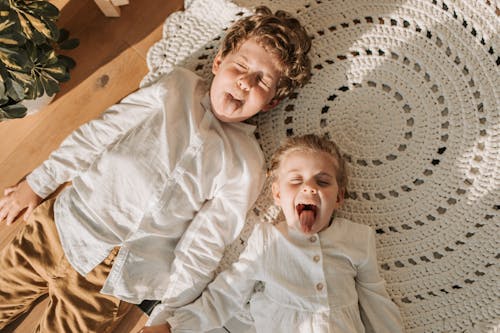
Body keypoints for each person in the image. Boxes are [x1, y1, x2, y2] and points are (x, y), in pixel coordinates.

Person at [0, 6, 311, 332]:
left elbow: (205, 244)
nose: (245, 82)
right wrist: (38, 182)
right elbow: (101, 132)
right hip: (61, 226)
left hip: (111, 283)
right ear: (219, 62)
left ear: (272, 101)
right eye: (241, 66)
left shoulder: (246, 164)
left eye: (262, 80)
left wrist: (167, 314)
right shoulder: (176, 88)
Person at [147, 134, 404, 333]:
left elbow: (376, 300)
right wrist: (174, 326)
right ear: (278, 194)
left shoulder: (357, 239)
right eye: (296, 180)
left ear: (339, 197)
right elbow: (226, 295)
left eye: (322, 182)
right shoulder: (267, 240)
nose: (310, 188)